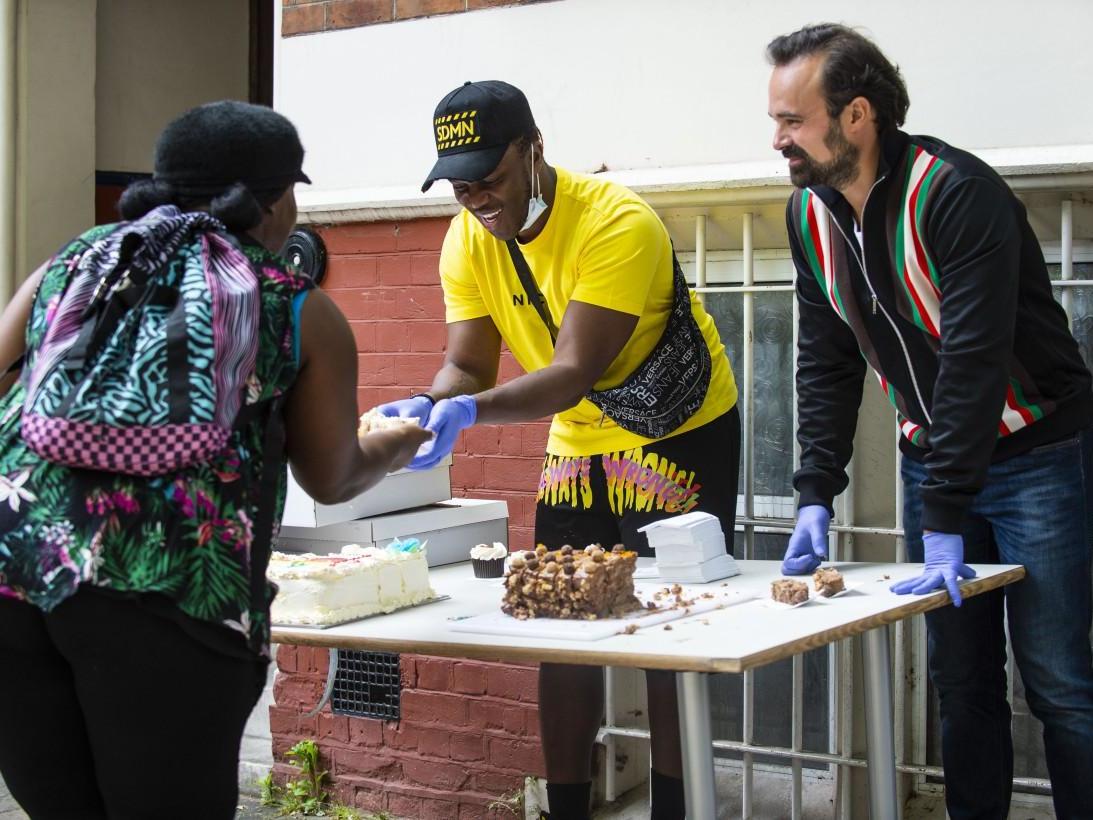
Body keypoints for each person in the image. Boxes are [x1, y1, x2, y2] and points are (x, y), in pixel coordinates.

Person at [0, 100, 431, 820]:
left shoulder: (73, 263)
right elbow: (331, 474)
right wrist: (397, 439)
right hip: (169, 598)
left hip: (12, 574)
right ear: (272, 198)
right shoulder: (293, 302)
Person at [376, 80, 741, 820]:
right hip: (575, 431)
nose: (476, 198)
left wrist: (466, 411)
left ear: (533, 149)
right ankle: (568, 811)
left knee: (673, 623)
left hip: (675, 426)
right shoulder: (467, 239)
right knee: (556, 618)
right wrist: (431, 401)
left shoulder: (615, 222)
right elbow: (469, 365)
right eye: (459, 185)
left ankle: (677, 810)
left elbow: (573, 369)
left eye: (491, 178)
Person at [768, 23, 1093, 819]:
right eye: (774, 119)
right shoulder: (807, 215)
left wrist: (945, 506)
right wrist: (815, 488)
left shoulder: (953, 192)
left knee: (1056, 680)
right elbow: (826, 360)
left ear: (856, 116)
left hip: (1036, 455)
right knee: (959, 679)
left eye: (791, 119)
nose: (777, 138)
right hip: (933, 466)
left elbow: (976, 362)